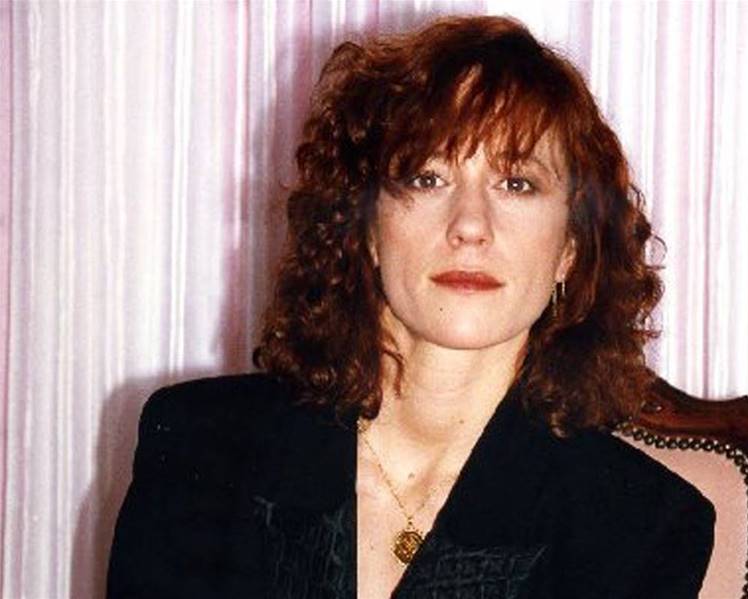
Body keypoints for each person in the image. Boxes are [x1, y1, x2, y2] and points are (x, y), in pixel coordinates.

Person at [107, 15, 714, 599]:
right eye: (427, 178)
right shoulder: (201, 443)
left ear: (570, 250)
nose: (470, 225)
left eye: (516, 183)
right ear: (368, 228)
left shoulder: (642, 525)